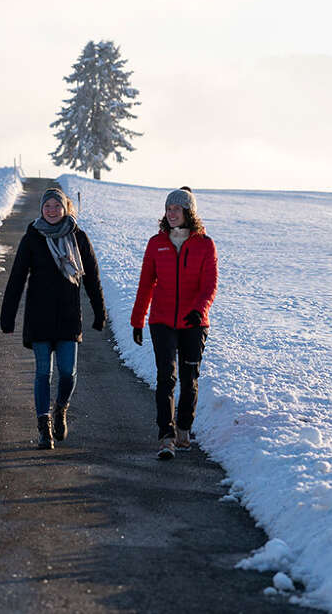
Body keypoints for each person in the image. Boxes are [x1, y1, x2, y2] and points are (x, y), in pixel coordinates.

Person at [0, 188, 106, 450]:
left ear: (66, 208)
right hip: (39, 318)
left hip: (69, 318)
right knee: (42, 373)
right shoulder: (32, 237)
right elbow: (16, 278)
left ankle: (60, 408)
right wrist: (8, 315)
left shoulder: (79, 237)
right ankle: (43, 427)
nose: (51, 210)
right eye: (47, 206)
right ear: (41, 209)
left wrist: (99, 311)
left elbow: (92, 277)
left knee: (68, 373)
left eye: (56, 206)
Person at [130, 187, 218, 460]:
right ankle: (165, 437)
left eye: (176, 209)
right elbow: (146, 284)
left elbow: (210, 285)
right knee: (166, 378)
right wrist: (137, 320)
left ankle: (184, 428)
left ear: (188, 213)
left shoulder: (205, 244)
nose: (171, 214)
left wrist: (199, 310)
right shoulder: (156, 243)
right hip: (162, 320)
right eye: (168, 209)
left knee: (189, 379)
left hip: (194, 323)